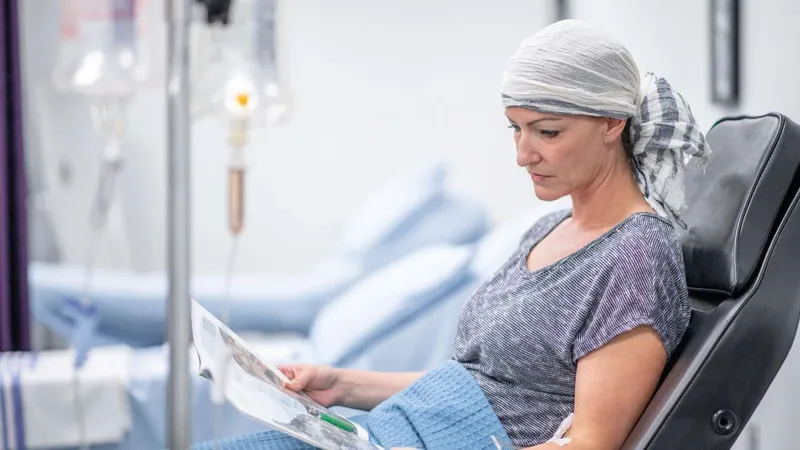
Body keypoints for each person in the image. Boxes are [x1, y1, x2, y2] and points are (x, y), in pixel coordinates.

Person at [278, 19, 709, 450]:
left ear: (612, 124)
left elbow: (589, 445)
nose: (523, 155)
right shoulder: (546, 230)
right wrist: (339, 385)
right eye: (515, 129)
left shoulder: (636, 255)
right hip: (386, 434)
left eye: (547, 131)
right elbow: (476, 383)